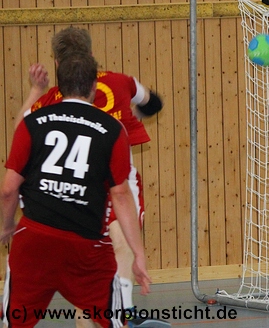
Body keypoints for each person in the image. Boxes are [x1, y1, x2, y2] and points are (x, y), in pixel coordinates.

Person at [16, 27, 164, 328]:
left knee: (86, 263)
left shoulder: (50, 101)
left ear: (57, 64)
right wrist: (132, 117)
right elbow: (153, 103)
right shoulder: (121, 82)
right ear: (92, 57)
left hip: (74, 191)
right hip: (117, 185)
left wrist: (35, 90)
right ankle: (121, 314)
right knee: (120, 251)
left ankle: (112, 315)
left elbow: (21, 128)